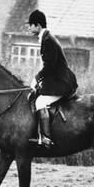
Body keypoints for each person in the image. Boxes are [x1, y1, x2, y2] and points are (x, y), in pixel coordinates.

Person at [26, 10, 78, 148]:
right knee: (36, 96)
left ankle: (46, 138)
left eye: (30, 25)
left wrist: (36, 79)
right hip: (56, 81)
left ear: (37, 25)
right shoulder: (46, 38)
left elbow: (49, 66)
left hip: (62, 83)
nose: (29, 28)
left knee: (40, 103)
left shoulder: (48, 40)